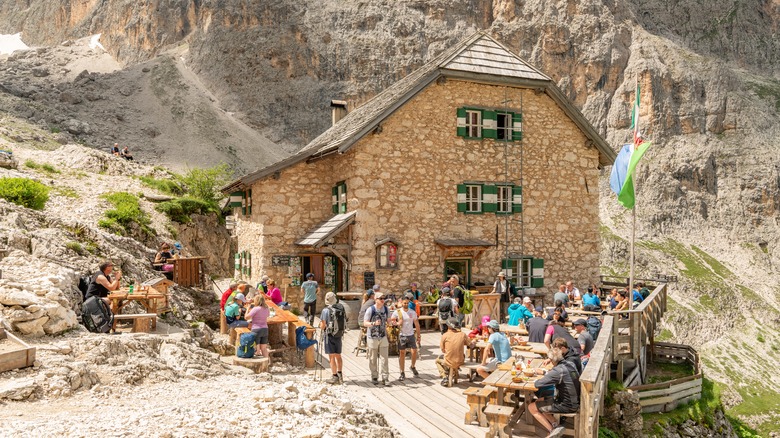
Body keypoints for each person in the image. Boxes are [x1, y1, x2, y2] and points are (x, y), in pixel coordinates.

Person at [527, 344, 581, 437]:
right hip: (575, 400)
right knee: (540, 401)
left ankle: (552, 431)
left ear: (551, 360)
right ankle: (555, 425)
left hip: (567, 405)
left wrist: (537, 378)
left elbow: (538, 384)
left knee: (531, 407)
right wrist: (545, 372)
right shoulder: (570, 364)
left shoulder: (558, 370)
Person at [390, 297, 420, 380]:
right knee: (402, 353)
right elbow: (392, 320)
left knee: (414, 351)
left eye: (407, 303)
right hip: (402, 334)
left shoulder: (412, 312)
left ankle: (413, 366)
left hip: (410, 334)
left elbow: (416, 324)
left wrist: (419, 335)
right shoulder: (398, 312)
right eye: (404, 303)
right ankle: (402, 372)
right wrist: (397, 322)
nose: (406, 304)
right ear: (401, 303)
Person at [364, 292, 390, 386]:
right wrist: (374, 323)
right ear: (376, 299)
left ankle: (385, 377)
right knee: (373, 358)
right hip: (372, 337)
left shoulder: (386, 309)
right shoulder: (370, 310)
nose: (383, 300)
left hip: (383, 336)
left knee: (384, 358)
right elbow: (365, 323)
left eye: (384, 298)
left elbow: (389, 321)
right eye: (381, 298)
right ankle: (374, 376)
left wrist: (393, 322)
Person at [436, 318, 470, 386]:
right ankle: (454, 372)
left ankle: (444, 376)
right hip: (460, 360)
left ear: (448, 326)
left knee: (437, 360)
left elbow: (443, 350)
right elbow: (469, 344)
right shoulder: (462, 334)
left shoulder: (445, 335)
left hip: (449, 360)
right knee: (457, 355)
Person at [320, 292, 345, 384]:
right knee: (338, 355)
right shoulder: (341, 308)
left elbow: (323, 325)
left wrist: (320, 326)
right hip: (338, 334)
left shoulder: (325, 311)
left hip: (329, 335)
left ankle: (334, 376)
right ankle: (340, 374)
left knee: (331, 357)